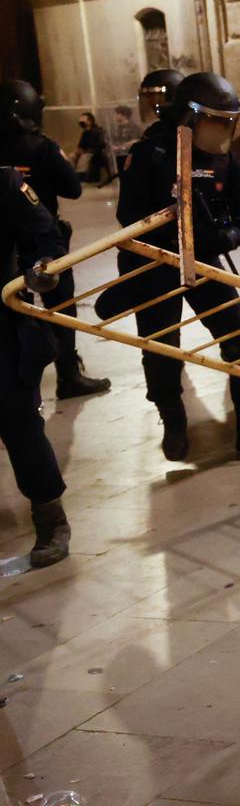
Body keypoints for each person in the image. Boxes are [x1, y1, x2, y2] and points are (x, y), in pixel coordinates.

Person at [101, 72, 240, 461]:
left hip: (203, 261)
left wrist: (229, 236)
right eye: (215, 121)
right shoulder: (149, 155)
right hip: (153, 264)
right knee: (161, 349)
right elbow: (129, 215)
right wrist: (173, 223)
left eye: (226, 123)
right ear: (190, 117)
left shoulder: (223, 158)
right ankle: (173, 420)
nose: (220, 131)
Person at [0, 81, 111, 400]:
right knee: (60, 307)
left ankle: (20, 383)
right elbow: (73, 189)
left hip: (7, 247)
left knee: (13, 312)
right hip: (42, 239)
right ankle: (68, 375)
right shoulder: (42, 146)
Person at [0, 167, 72, 568]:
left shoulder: (6, 184)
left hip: (2, 328)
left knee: (18, 423)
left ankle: (51, 519)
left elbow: (48, 239)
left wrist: (42, 269)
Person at [73, 112, 115, 185]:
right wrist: (79, 151)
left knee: (84, 157)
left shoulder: (98, 131)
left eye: (83, 119)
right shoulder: (85, 132)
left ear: (89, 121)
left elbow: (101, 144)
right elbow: (81, 145)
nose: (80, 120)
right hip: (86, 152)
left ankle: (81, 177)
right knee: (72, 156)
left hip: (95, 152)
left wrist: (87, 151)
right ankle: (71, 176)